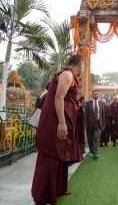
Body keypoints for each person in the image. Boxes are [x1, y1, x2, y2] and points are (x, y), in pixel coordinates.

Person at [31, 55, 84, 205]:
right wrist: (61, 122)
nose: (82, 69)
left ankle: (58, 189)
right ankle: (42, 196)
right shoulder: (67, 74)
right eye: (82, 67)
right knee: (51, 156)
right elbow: (59, 97)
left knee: (61, 156)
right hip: (55, 122)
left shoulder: (70, 76)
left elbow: (68, 99)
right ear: (80, 65)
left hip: (64, 120)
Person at [85, 89, 105, 159]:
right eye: (94, 94)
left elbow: (102, 115)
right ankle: (91, 151)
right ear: (92, 95)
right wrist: (85, 125)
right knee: (90, 139)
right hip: (90, 124)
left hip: (98, 124)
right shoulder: (88, 103)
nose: (96, 95)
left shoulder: (101, 104)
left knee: (96, 138)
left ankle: (95, 153)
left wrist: (103, 124)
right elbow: (86, 115)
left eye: (97, 94)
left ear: (98, 95)